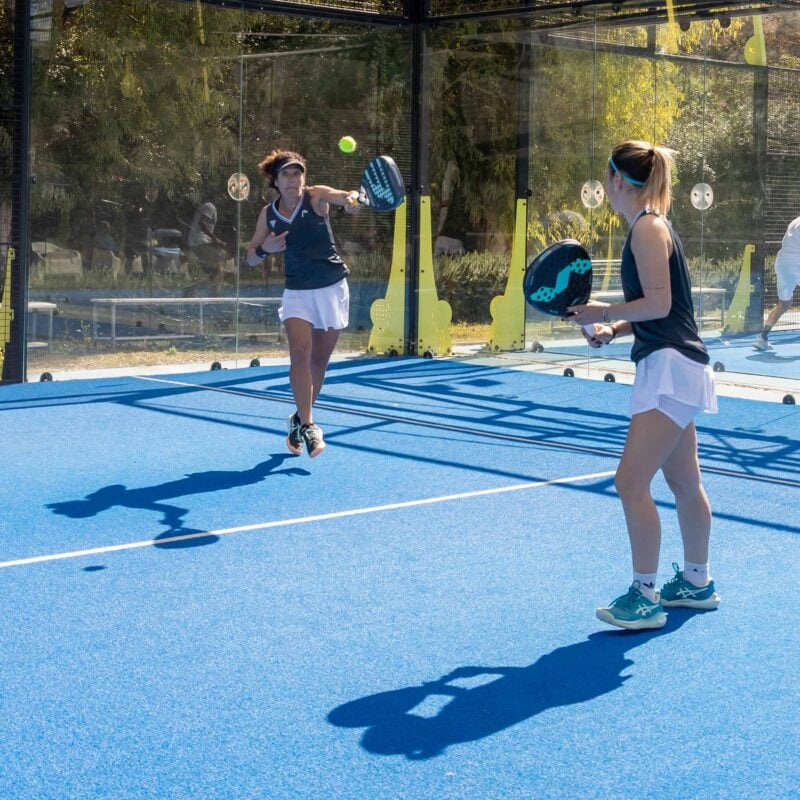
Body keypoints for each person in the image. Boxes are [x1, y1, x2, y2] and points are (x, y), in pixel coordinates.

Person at [567, 140, 720, 630]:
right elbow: (659, 309)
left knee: (630, 482)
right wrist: (614, 328)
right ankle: (696, 582)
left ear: (617, 180)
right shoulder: (649, 225)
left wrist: (603, 309)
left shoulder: (647, 229)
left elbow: (658, 304)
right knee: (683, 481)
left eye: (605, 175)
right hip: (678, 365)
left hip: (671, 368)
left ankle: (645, 596)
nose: (604, 184)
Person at [247, 149, 361, 458]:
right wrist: (266, 249)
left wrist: (351, 199)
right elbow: (250, 257)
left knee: (319, 361)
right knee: (300, 353)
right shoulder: (268, 214)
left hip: (332, 287)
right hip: (297, 291)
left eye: (297, 173)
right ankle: (310, 426)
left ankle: (298, 419)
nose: (292, 179)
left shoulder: (315, 197)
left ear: (303, 178)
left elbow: (342, 196)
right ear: (275, 181)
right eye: (285, 174)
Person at [754, 214, 800, 351]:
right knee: (784, 304)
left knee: (784, 304)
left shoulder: (795, 221)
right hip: (796, 264)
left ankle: (762, 338)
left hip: (782, 264)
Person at [188, 200, 228, 281]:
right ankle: (217, 285)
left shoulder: (205, 206)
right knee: (221, 257)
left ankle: (210, 279)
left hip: (197, 242)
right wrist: (215, 239)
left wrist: (215, 240)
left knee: (211, 266)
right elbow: (202, 223)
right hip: (201, 241)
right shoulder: (210, 207)